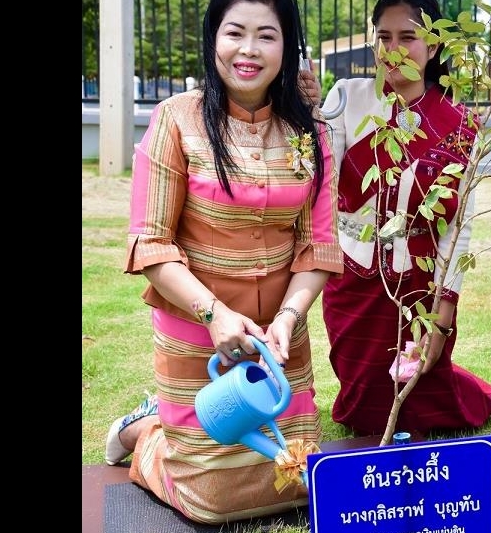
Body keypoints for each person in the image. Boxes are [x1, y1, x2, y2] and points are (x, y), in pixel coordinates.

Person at [103, 0, 343, 524]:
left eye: (267, 36)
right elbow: (151, 244)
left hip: (279, 341)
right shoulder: (176, 120)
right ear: (214, 38)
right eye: (235, 33)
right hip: (196, 329)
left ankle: (158, 424)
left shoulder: (312, 131)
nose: (249, 50)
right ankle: (143, 432)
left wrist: (288, 318)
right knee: (211, 504)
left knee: (297, 484)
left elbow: (318, 244)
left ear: (288, 45)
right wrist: (214, 316)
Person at [320, 0, 491, 437]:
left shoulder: (460, 127)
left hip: (419, 285)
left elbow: (459, 227)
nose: (393, 49)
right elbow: (322, 184)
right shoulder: (346, 98)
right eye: (383, 37)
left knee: (424, 406)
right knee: (363, 411)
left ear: (433, 46)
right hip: (353, 277)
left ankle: (466, 391)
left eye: (407, 37)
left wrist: (443, 312)